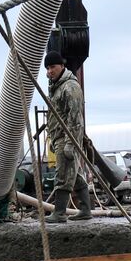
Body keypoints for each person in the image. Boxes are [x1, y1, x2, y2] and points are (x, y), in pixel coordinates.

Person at [43, 51, 93, 223]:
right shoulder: (57, 87)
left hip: (67, 137)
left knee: (63, 174)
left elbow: (75, 118)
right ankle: (86, 210)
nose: (50, 71)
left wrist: (70, 143)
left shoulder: (69, 87)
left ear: (62, 66)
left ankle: (60, 212)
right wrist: (53, 139)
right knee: (75, 174)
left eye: (53, 67)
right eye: (48, 68)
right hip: (59, 137)